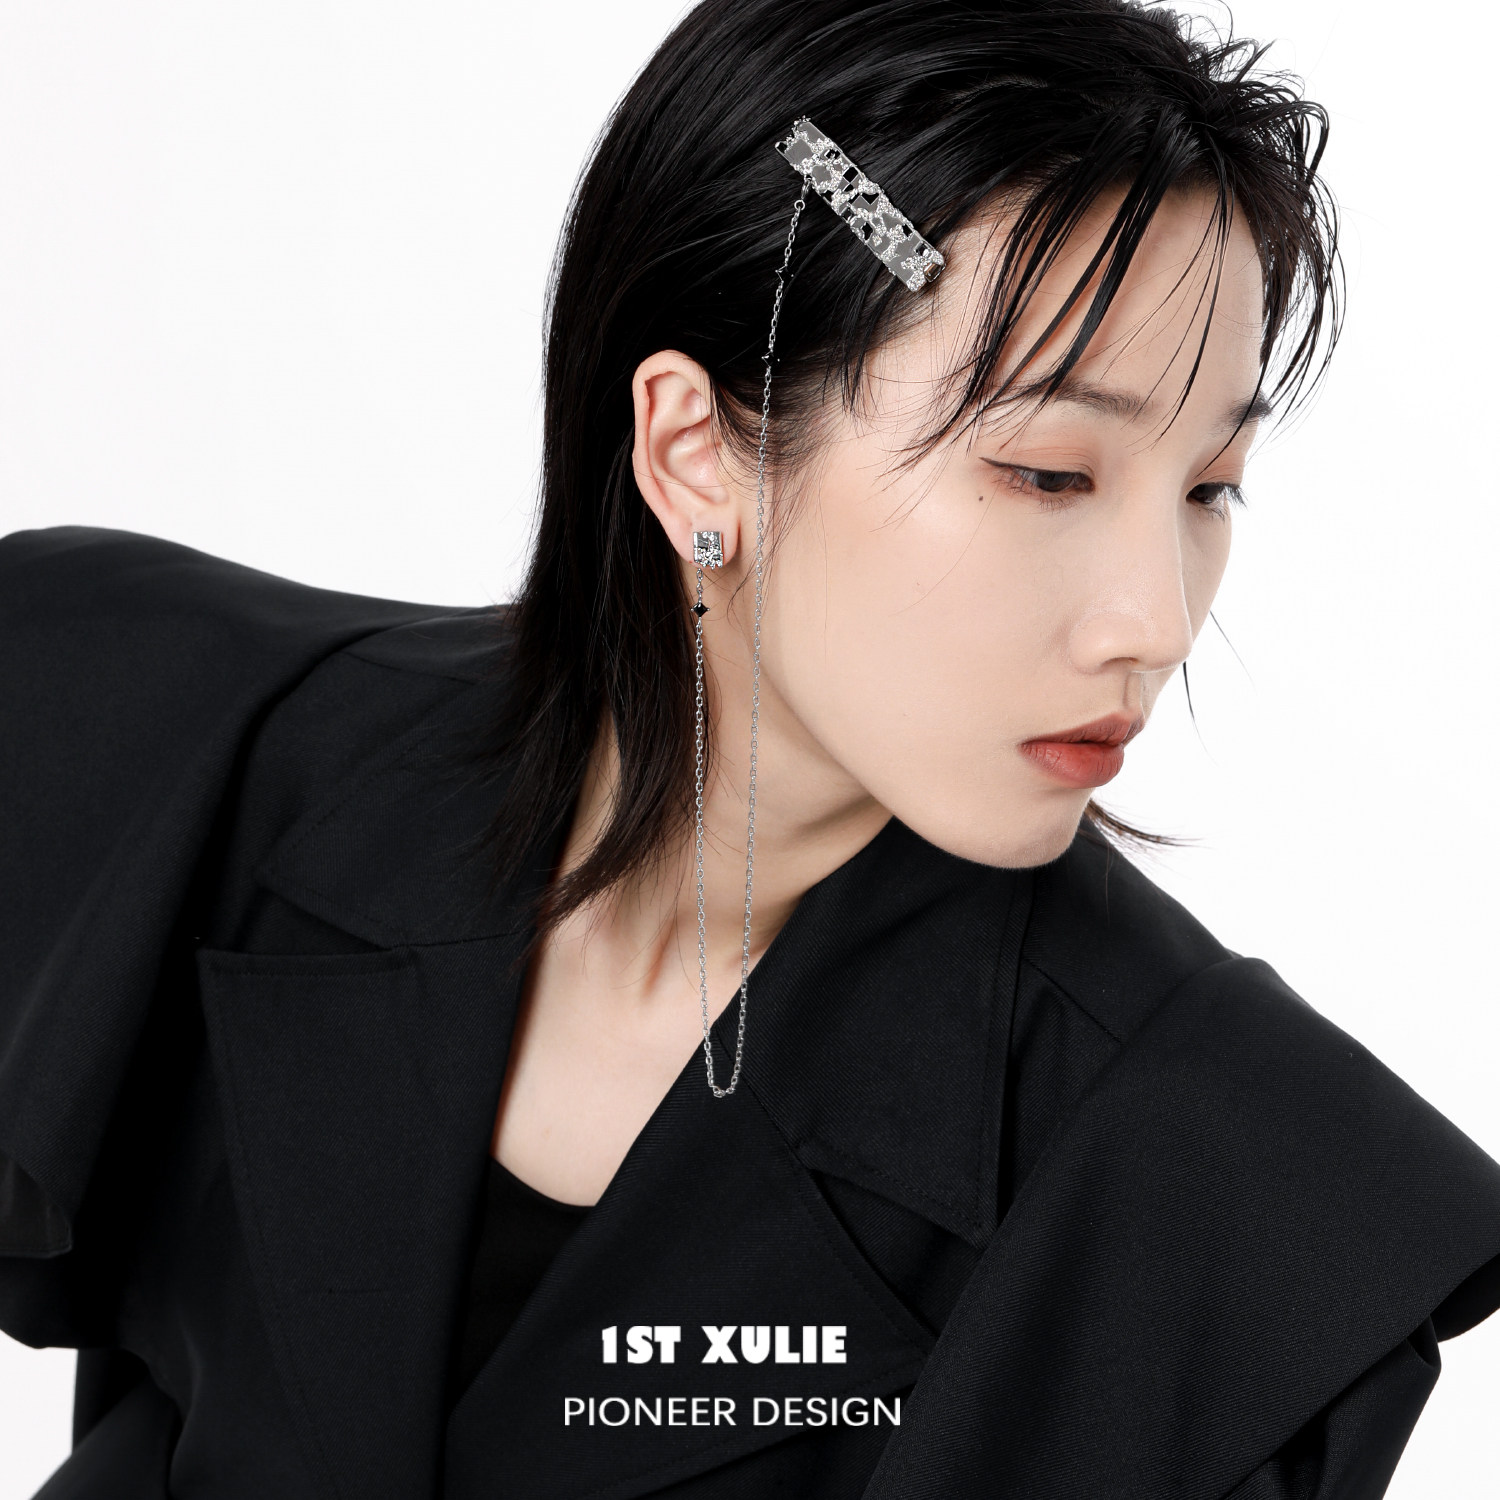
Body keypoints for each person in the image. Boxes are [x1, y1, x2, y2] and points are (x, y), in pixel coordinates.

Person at [3, 0, 1499, 1496]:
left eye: (1211, 486)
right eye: (1050, 473)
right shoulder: (157, 731)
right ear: (695, 450)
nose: (1155, 620)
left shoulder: (1230, 1195)